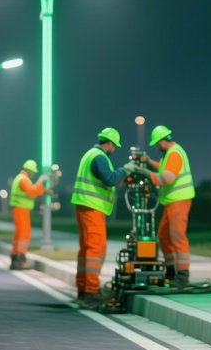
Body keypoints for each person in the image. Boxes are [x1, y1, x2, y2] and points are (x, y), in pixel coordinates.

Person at [71, 128, 133, 309]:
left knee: (86, 249)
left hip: (84, 206)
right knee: (95, 249)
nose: (114, 149)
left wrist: (122, 176)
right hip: (93, 208)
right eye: (115, 146)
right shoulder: (99, 157)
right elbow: (109, 178)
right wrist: (126, 169)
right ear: (110, 143)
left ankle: (83, 290)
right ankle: (91, 292)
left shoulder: (89, 154)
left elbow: (107, 179)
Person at [131, 125, 195, 287]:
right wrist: (148, 162)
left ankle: (182, 275)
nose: (156, 146)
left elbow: (165, 179)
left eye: (157, 144)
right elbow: (163, 168)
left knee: (177, 237)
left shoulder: (174, 154)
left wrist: (144, 172)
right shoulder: (170, 154)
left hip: (179, 200)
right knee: (164, 236)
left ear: (163, 141)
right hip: (171, 202)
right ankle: (171, 271)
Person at [9, 160, 48, 270]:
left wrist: (43, 190)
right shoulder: (23, 179)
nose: (33, 174)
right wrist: (41, 182)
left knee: (19, 234)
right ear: (28, 170)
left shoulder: (20, 178)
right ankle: (20, 260)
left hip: (19, 209)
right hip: (21, 209)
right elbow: (31, 191)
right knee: (24, 234)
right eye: (33, 172)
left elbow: (32, 190)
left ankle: (15, 258)